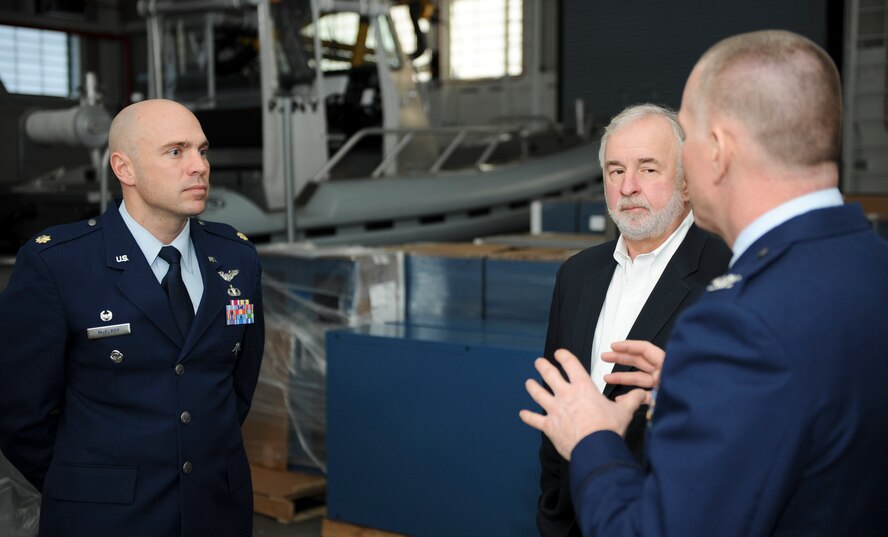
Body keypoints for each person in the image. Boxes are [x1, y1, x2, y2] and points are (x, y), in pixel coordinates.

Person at [520, 30, 888, 536]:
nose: (630, 184)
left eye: (686, 140)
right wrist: (688, 387)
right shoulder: (873, 267)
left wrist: (591, 439)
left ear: (716, 151)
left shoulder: (736, 320)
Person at [0, 99, 265, 537]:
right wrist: (87, 484)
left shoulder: (236, 257)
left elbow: (235, 389)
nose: (198, 166)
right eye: (176, 151)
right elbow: (20, 413)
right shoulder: (59, 264)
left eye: (203, 150)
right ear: (125, 168)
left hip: (216, 510)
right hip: (105, 518)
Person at [537, 103, 730, 536]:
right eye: (615, 170)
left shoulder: (726, 274)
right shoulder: (577, 274)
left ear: (685, 183)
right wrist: (554, 512)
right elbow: (557, 414)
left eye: (648, 169)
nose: (628, 187)